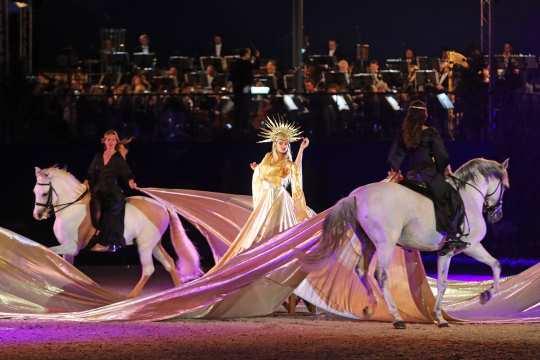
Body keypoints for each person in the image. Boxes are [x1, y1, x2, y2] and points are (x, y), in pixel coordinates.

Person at [387, 100, 467, 255]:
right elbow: (441, 156)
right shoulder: (430, 132)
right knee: (451, 195)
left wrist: (395, 171)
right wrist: (445, 169)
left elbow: (394, 155)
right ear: (425, 115)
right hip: (428, 175)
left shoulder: (404, 133)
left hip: (410, 176)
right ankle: (451, 237)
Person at [85, 130, 138, 252]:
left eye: (113, 140)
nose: (110, 142)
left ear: (116, 142)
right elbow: (91, 172)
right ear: (104, 141)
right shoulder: (98, 156)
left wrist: (131, 182)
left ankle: (107, 242)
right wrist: (87, 181)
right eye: (108, 139)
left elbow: (127, 173)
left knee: (111, 210)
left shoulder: (118, 158)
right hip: (98, 192)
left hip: (113, 194)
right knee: (94, 210)